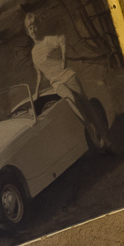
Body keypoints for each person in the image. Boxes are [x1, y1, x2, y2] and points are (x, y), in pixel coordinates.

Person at [26, 12, 112, 152]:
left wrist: (64, 59)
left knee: (87, 105)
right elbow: (39, 74)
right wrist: (36, 93)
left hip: (68, 75)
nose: (33, 30)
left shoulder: (48, 40)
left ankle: (106, 140)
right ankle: (90, 130)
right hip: (56, 83)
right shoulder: (34, 52)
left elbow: (62, 39)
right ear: (28, 32)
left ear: (39, 27)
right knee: (71, 99)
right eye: (30, 28)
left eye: (34, 26)